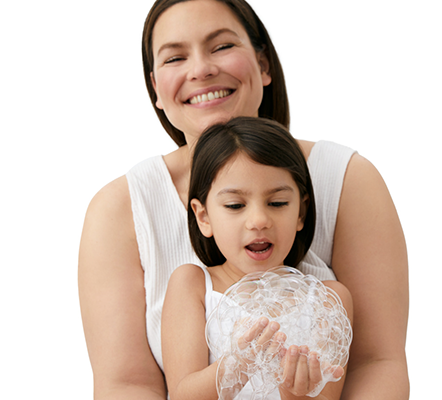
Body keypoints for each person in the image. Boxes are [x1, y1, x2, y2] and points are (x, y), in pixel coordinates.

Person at [78, 0, 409, 399]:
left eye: (221, 46)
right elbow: (125, 384)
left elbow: (376, 362)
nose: (201, 70)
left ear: (263, 64)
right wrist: (236, 367)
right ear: (155, 90)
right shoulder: (121, 209)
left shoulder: (347, 179)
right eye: (176, 57)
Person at [162, 117, 353, 400]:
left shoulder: (328, 300)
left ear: (301, 212)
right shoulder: (192, 285)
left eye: (277, 203)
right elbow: (182, 395)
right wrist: (239, 363)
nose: (259, 220)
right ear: (203, 217)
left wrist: (293, 390)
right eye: (235, 205)